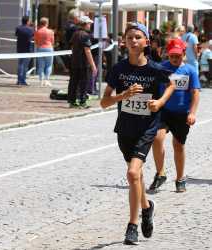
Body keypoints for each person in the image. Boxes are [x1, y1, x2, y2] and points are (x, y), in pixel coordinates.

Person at [100, 22, 175, 245]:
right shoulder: (118, 70)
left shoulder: (155, 69)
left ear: (146, 42)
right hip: (124, 129)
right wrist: (123, 95)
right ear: (124, 41)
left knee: (133, 174)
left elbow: (170, 85)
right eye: (129, 37)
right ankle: (146, 207)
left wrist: (159, 102)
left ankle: (132, 226)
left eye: (138, 37)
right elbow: (104, 102)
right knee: (137, 177)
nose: (133, 41)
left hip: (147, 128)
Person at [149, 38, 200, 193]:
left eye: (178, 55)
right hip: (163, 112)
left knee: (178, 146)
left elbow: (195, 93)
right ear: (167, 55)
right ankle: (161, 173)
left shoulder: (190, 70)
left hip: (181, 114)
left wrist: (192, 113)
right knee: (156, 139)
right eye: (172, 56)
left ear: (184, 54)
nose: (175, 59)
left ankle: (180, 178)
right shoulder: (162, 68)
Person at [68, 16, 97, 108]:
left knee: (73, 82)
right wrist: (93, 65)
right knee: (83, 82)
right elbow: (87, 50)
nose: (90, 25)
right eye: (89, 24)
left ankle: (72, 101)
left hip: (74, 62)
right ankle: (82, 101)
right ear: (85, 24)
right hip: (83, 63)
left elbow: (72, 48)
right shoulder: (85, 35)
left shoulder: (75, 33)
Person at [34, 17, 54, 87]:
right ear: (46, 23)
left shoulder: (37, 31)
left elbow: (36, 42)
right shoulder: (50, 31)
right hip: (49, 48)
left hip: (40, 48)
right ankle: (47, 80)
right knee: (49, 65)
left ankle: (41, 81)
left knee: (41, 66)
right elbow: (52, 41)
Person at [15, 16, 34, 86]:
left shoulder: (18, 28)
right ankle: (23, 80)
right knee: (25, 66)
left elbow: (16, 35)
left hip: (20, 48)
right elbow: (32, 37)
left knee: (20, 64)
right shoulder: (31, 29)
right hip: (28, 49)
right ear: (28, 21)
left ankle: (19, 80)